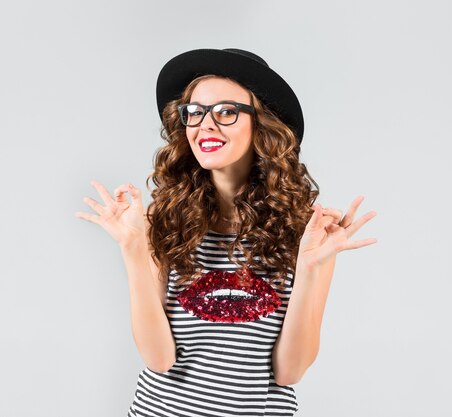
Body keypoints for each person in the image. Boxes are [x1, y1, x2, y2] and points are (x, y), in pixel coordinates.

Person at [75, 48, 377, 417]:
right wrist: (133, 248)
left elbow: (290, 370)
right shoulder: (164, 218)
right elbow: (159, 359)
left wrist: (310, 267)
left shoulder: (310, 234)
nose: (206, 125)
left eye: (226, 112)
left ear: (262, 125)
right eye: (195, 112)